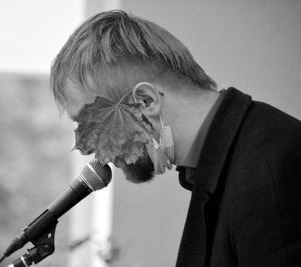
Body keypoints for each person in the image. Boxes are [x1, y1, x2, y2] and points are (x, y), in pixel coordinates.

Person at [50, 10, 301, 267]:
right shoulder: (220, 165)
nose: (96, 151)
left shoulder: (272, 166)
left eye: (93, 124)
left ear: (145, 101)